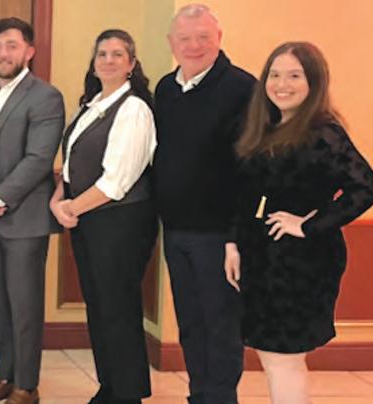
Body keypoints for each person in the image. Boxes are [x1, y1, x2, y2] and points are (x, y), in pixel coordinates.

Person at [225, 41, 373, 404]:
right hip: (261, 255)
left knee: (283, 359)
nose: (282, 84)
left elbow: (366, 187)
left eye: (294, 76)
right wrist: (233, 243)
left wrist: (308, 225)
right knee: (274, 358)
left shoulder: (323, 132)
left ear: (314, 82)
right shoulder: (263, 127)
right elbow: (244, 192)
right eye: (275, 75)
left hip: (300, 262)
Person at [152, 5, 256, 403]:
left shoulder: (242, 89)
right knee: (191, 323)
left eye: (203, 37)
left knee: (221, 325)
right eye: (185, 38)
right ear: (171, 43)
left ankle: (219, 398)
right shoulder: (166, 89)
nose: (193, 46)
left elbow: (250, 169)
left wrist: (235, 236)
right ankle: (199, 395)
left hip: (219, 235)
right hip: (176, 229)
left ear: (219, 38)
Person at [50, 29, 158, 404]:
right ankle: (109, 386)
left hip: (120, 223)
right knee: (99, 306)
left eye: (117, 54)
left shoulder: (134, 110)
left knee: (118, 308)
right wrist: (58, 200)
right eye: (102, 54)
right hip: (88, 219)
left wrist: (70, 208)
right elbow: (71, 166)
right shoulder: (92, 104)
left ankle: (127, 394)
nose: (108, 60)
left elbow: (117, 182)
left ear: (131, 64)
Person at [0, 17, 65, 404]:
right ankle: (5, 376)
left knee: (24, 305)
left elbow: (39, 158)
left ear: (29, 51)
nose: (3, 53)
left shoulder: (45, 96)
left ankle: (27, 385)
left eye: (11, 45)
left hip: (24, 220)